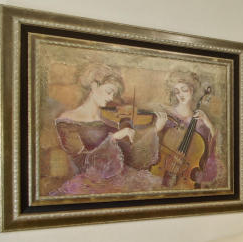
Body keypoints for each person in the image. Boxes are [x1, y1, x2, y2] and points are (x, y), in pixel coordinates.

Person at [50, 63, 167, 195]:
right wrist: (114, 138)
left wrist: (155, 130)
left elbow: (131, 158)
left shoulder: (108, 123)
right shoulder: (67, 120)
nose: (111, 98)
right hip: (90, 184)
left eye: (113, 94)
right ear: (94, 86)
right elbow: (84, 163)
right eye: (109, 91)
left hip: (119, 180)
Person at [156, 68, 225, 188]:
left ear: (192, 90)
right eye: (177, 91)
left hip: (186, 175)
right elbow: (150, 147)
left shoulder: (200, 121)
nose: (180, 95)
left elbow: (213, 148)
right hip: (162, 170)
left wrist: (208, 123)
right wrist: (157, 129)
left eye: (184, 90)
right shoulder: (168, 114)